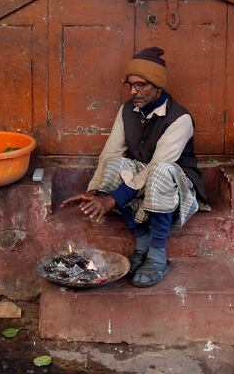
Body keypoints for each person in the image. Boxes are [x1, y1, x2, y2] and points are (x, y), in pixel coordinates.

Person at [62, 46, 206, 287]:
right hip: (143, 182)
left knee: (161, 171)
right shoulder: (127, 110)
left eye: (141, 85)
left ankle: (158, 254)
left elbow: (156, 167)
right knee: (115, 163)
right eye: (130, 85)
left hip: (176, 188)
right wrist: (95, 191)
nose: (133, 91)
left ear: (157, 85)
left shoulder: (180, 119)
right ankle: (142, 241)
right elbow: (111, 152)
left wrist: (111, 200)